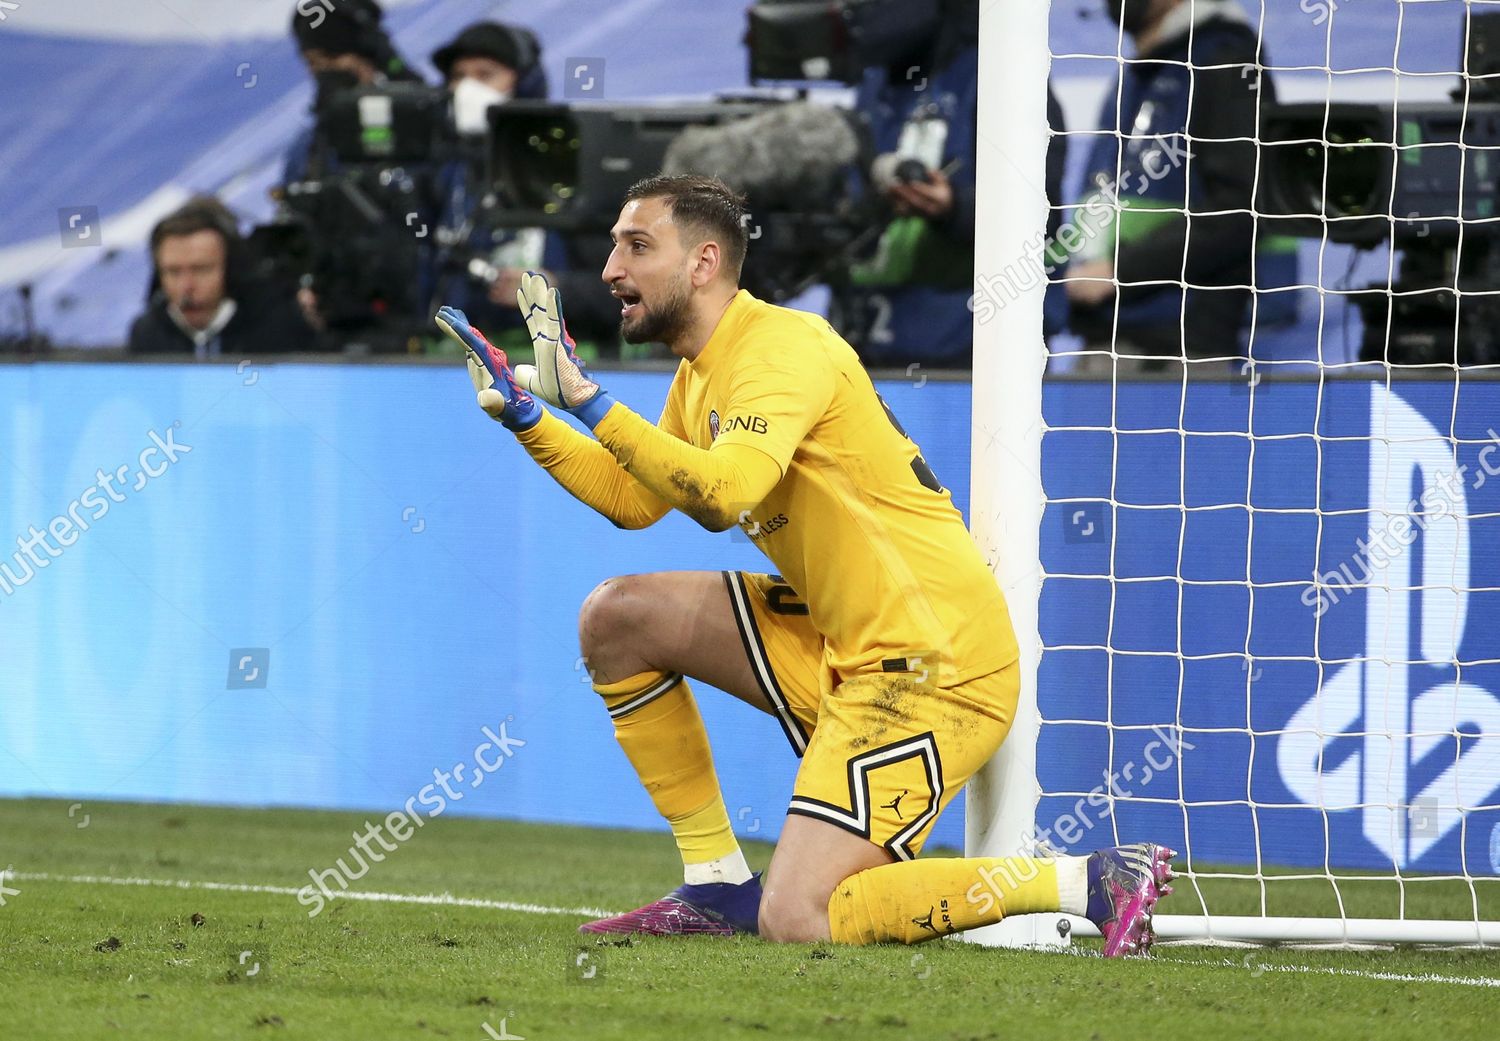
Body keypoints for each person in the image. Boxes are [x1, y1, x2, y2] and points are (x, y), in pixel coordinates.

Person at [434, 174, 1175, 949]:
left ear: (703, 263)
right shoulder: (701, 370)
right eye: (616, 245)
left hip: (933, 664)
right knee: (618, 619)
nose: (612, 269)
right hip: (843, 642)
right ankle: (716, 885)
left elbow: (724, 494)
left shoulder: (784, 349)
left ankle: (1091, 878)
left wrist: (585, 397)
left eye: (637, 245)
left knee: (800, 917)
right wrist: (531, 420)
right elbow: (635, 499)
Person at [1065, 0, 1296, 370]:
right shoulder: (1137, 70)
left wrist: (1120, 272)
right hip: (1108, 335)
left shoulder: (1227, 61)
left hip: (1183, 351)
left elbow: (1242, 208)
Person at [128, 197, 319, 356]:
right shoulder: (147, 334)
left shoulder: (281, 324)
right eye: (173, 272)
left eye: (201, 269)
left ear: (232, 268)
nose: (186, 286)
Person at [284, 0, 424, 183]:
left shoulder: (418, 114)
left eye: (331, 56)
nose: (322, 71)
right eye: (312, 62)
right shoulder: (309, 149)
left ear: (366, 57)